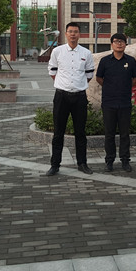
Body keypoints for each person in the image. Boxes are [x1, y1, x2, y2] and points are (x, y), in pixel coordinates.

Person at [46, 22, 95, 176]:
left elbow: (89, 74)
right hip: (61, 96)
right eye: (70, 31)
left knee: (80, 132)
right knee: (58, 132)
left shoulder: (86, 53)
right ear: (66, 34)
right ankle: (55, 164)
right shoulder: (57, 51)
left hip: (80, 97)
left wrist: (77, 85)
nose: (73, 34)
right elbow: (52, 71)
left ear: (79, 34)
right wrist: (64, 84)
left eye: (76, 31)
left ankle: (82, 163)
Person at [96, 33, 136, 172]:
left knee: (124, 134)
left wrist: (125, 87)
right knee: (109, 134)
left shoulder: (131, 61)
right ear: (112, 44)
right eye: (116, 41)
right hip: (109, 102)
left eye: (122, 41)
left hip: (125, 102)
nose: (119, 44)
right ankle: (109, 161)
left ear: (126, 44)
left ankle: (125, 160)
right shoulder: (105, 61)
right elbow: (99, 78)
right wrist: (110, 87)